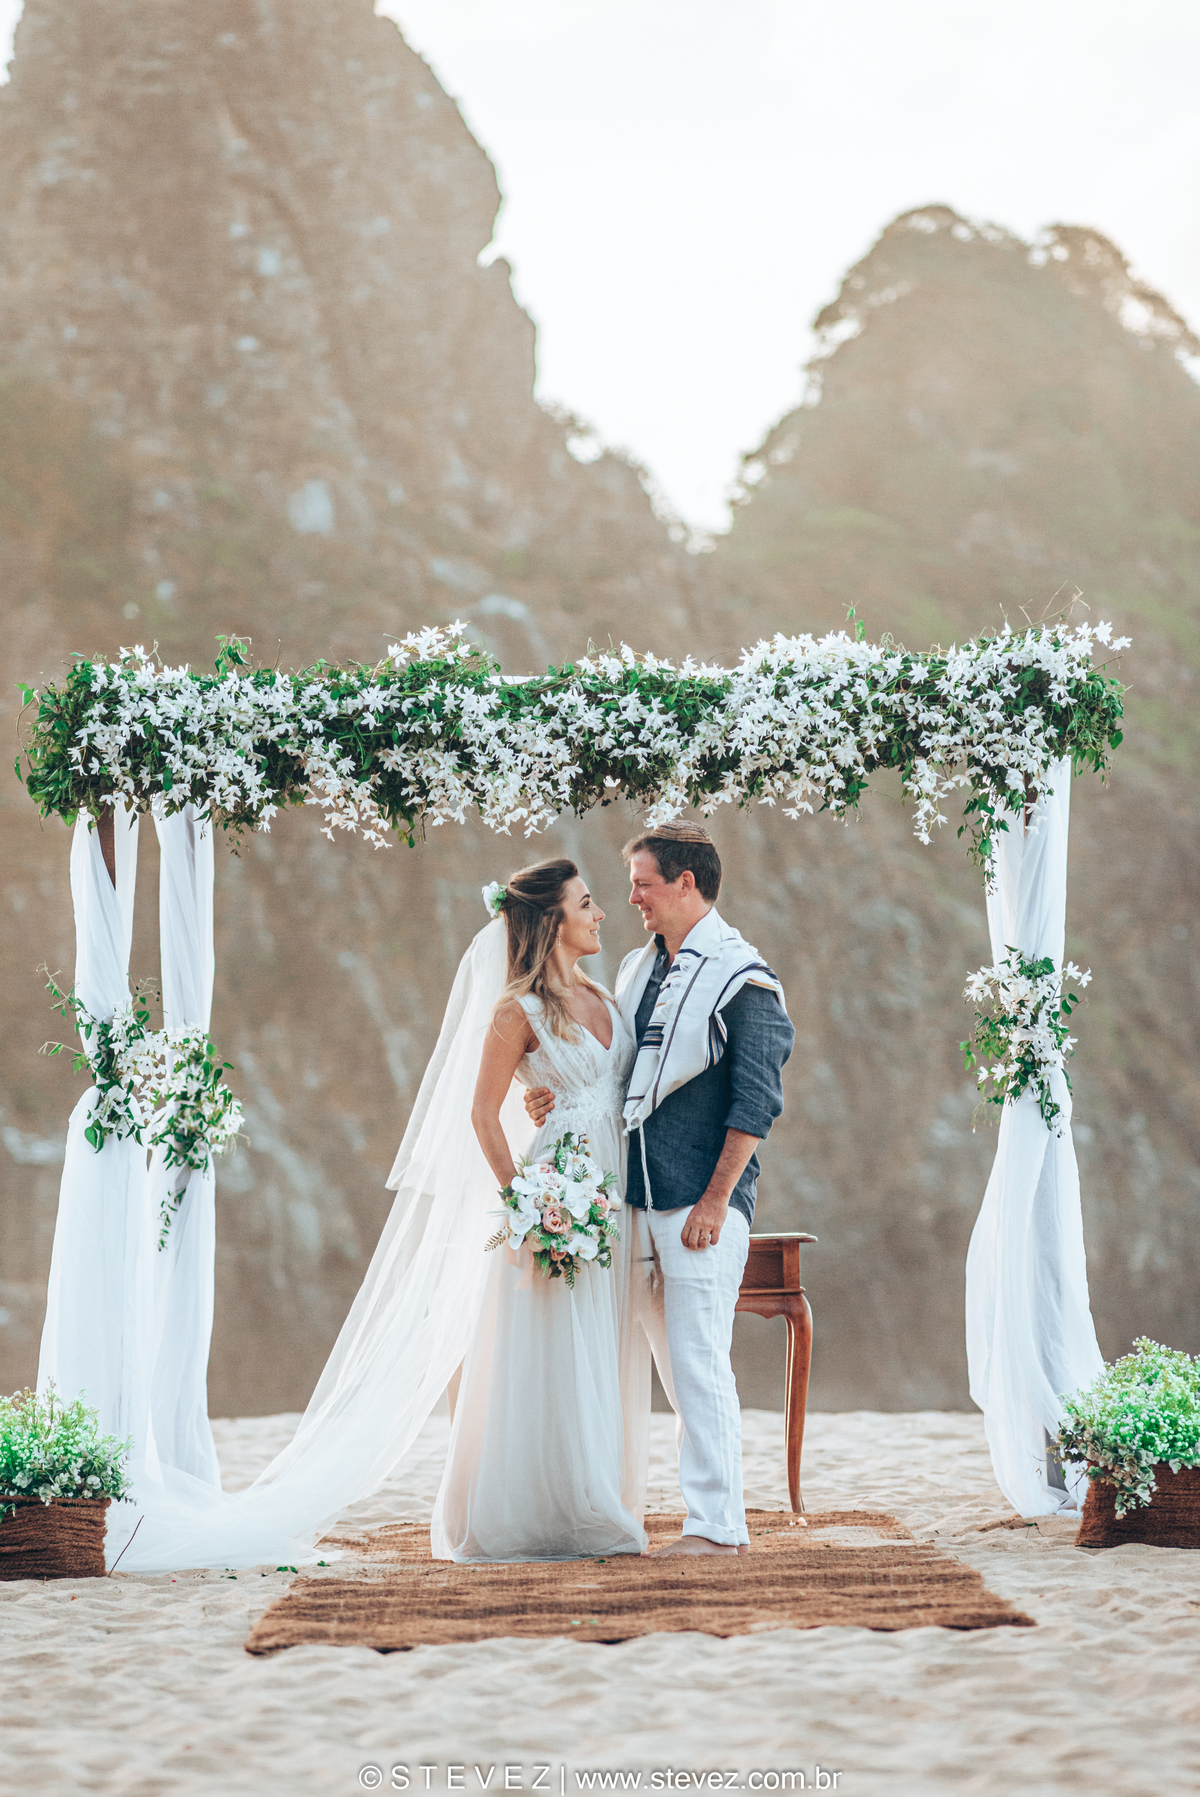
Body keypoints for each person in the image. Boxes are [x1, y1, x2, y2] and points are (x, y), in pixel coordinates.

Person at [524, 823, 794, 1557]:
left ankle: (716, 1528)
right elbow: (612, 1078)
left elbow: (756, 1104)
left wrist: (715, 1202)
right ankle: (713, 1518)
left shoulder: (744, 978)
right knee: (677, 1374)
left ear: (685, 882)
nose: (632, 897)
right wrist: (545, 1099)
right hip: (635, 1201)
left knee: (700, 1362)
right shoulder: (641, 970)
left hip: (700, 1207)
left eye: (644, 882)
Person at [432, 858, 651, 1561]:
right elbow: (482, 1115)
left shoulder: (606, 997)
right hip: (563, 1198)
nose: (601, 913)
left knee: (604, 1343)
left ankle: (595, 1493)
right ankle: (555, 1508)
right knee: (558, 1347)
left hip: (615, 1189)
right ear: (553, 919)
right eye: (587, 903)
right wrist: (529, 1203)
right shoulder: (515, 1011)